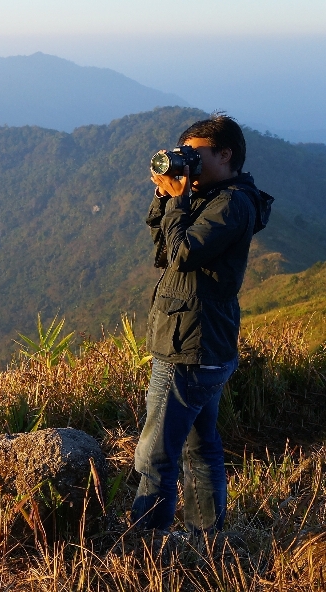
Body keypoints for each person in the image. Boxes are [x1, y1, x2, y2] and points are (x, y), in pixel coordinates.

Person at [131, 113, 270, 535]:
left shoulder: (231, 203)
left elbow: (184, 253)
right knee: (199, 446)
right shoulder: (213, 196)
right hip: (201, 342)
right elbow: (164, 251)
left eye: (195, 154)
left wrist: (178, 201)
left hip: (189, 347)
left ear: (225, 154)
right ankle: (206, 538)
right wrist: (167, 196)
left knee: (154, 457)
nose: (186, 160)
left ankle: (147, 545)